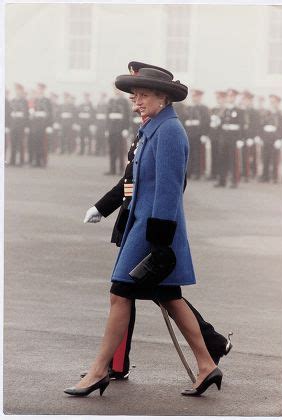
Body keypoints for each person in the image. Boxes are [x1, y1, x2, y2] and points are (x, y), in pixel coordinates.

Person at [64, 66, 225, 398]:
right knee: (170, 297)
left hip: (153, 229)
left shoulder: (169, 132)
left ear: (163, 98)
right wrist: (105, 206)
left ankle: (99, 371)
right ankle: (208, 364)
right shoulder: (154, 128)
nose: (136, 103)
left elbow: (168, 190)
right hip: (142, 224)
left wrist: (159, 243)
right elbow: (133, 183)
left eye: (143, 96)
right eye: (134, 97)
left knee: (120, 293)